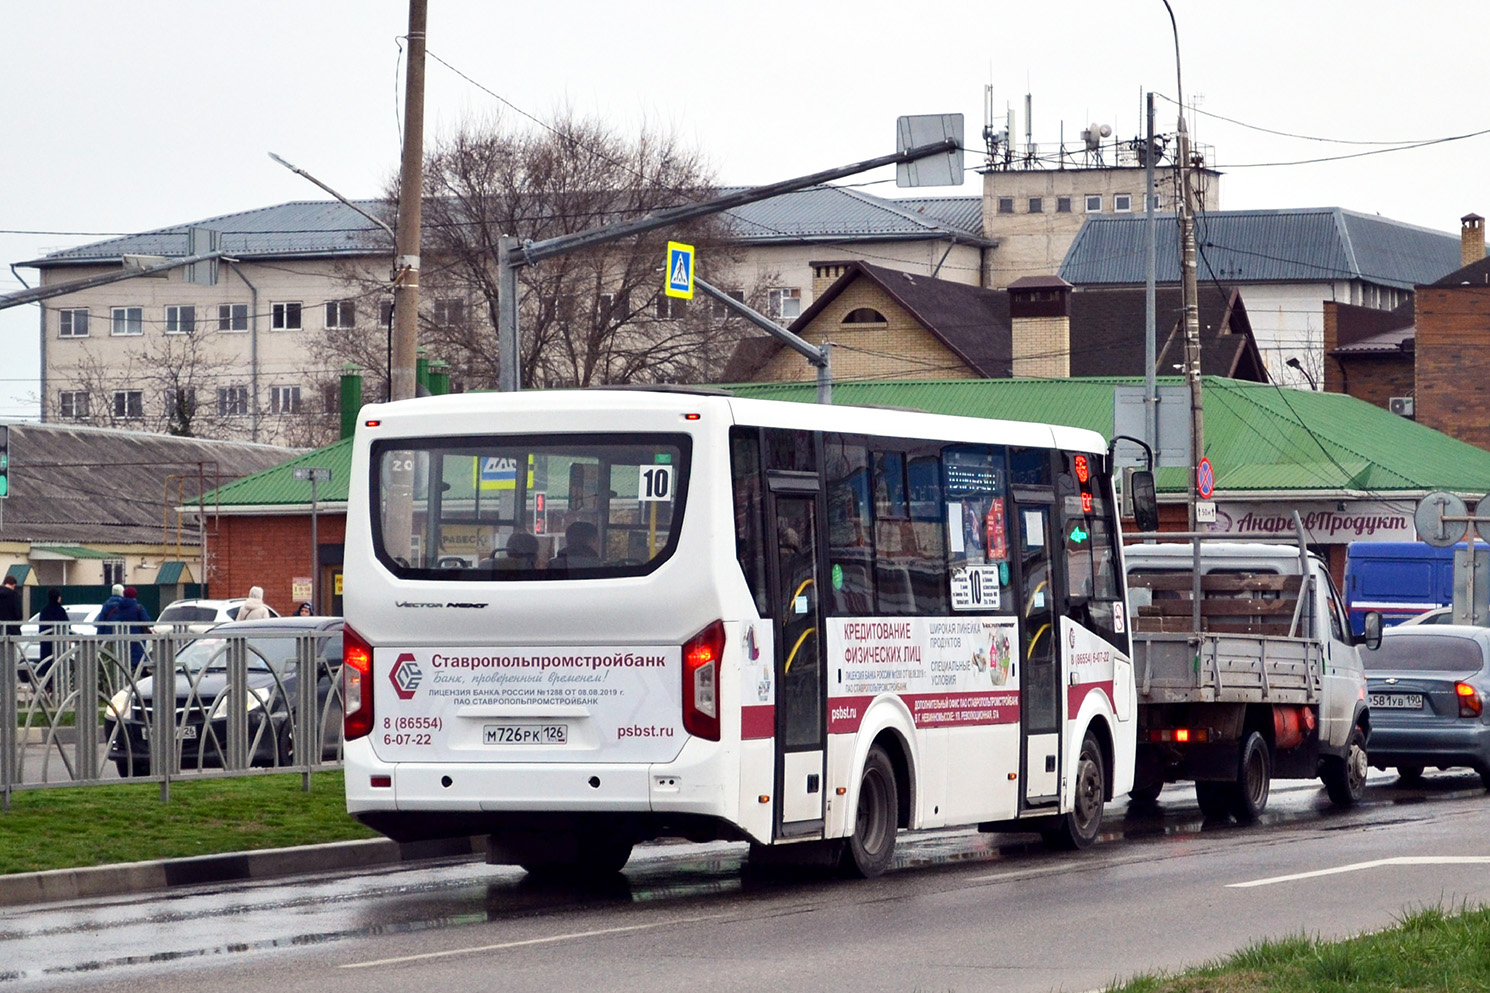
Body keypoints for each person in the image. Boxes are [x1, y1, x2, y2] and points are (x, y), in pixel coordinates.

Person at [108, 586, 153, 671]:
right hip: (137, 639)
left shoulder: (119, 608)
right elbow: (146, 620)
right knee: (139, 662)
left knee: (123, 661)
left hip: (122, 639)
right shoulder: (138, 608)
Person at [37, 588, 70, 681]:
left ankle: (47, 687)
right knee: (59, 664)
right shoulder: (61, 610)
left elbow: (41, 626)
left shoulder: (44, 610)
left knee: (47, 664)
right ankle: (58, 686)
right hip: (59, 643)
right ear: (58, 598)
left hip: (46, 642)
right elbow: (66, 626)